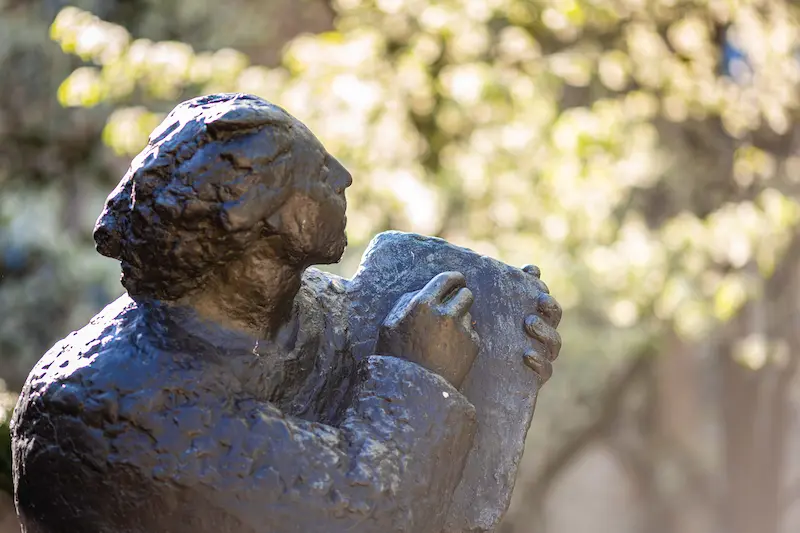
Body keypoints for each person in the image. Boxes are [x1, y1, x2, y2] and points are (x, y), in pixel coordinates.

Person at [11, 94, 561, 533]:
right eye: (319, 171)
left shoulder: (302, 307)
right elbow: (359, 515)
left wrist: (500, 342)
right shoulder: (113, 405)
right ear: (264, 217)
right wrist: (421, 378)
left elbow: (372, 338)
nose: (344, 177)